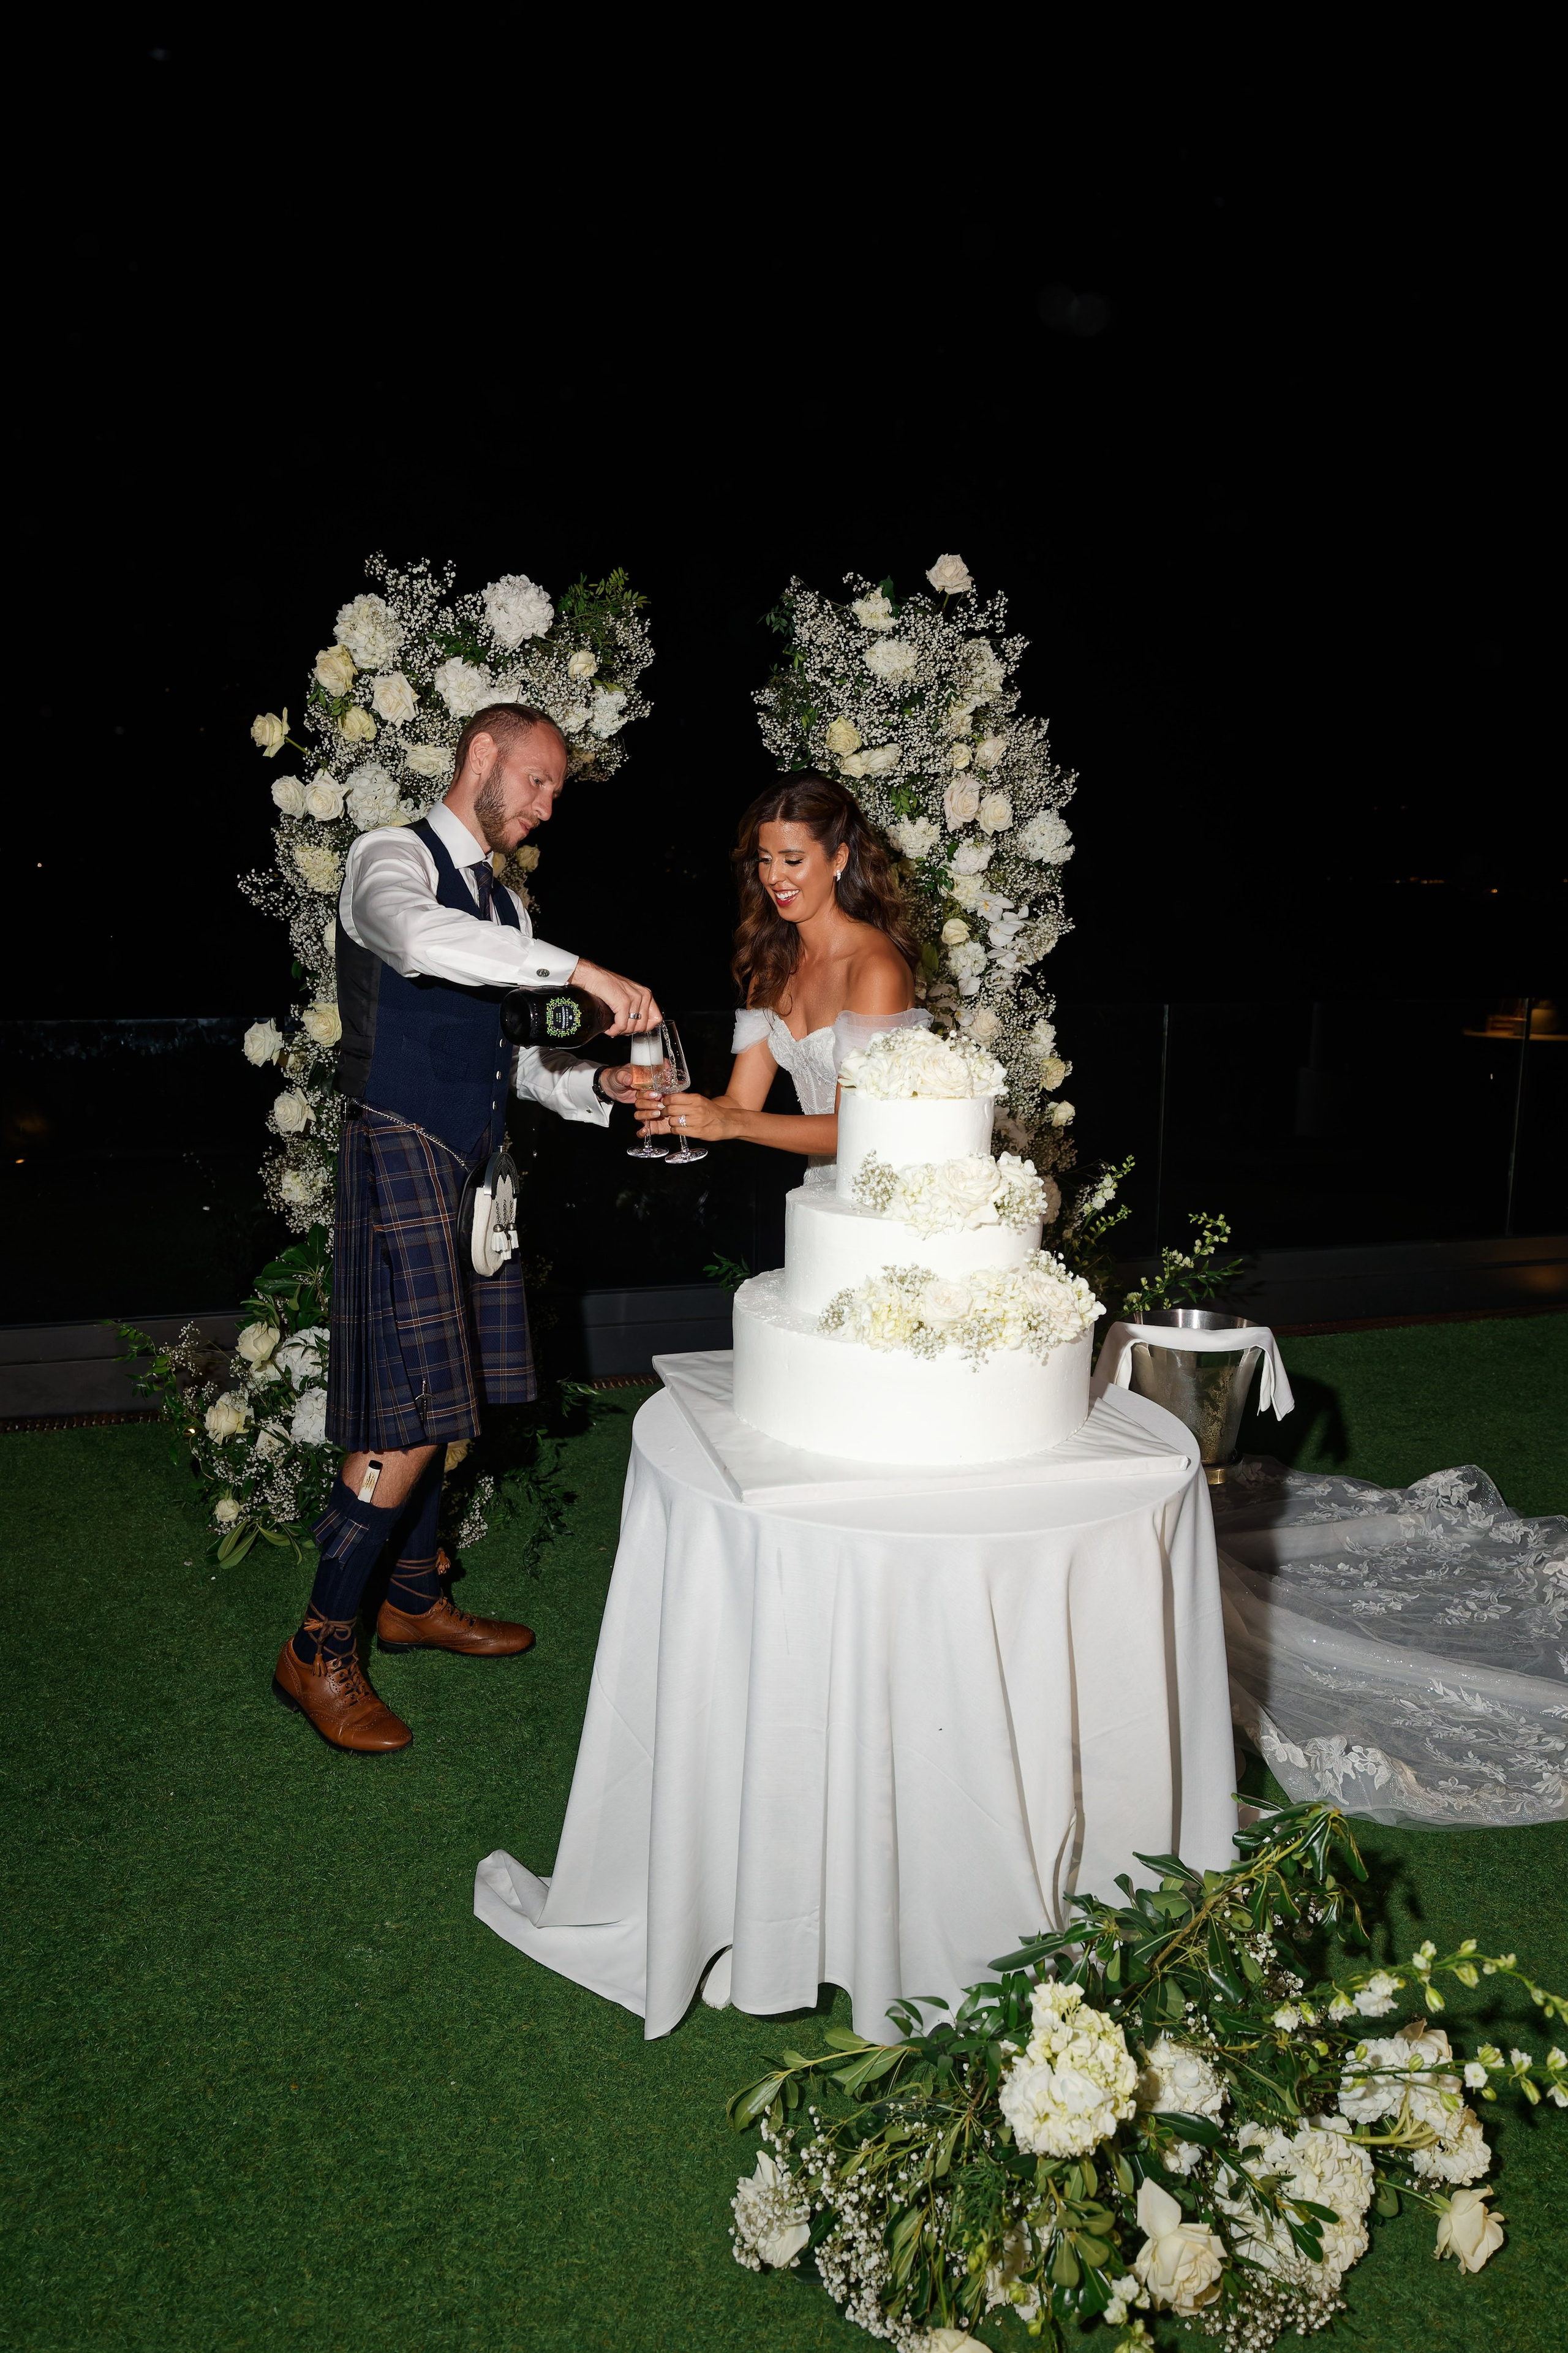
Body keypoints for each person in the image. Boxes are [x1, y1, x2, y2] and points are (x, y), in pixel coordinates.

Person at [273, 703, 658, 1756]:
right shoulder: (387, 860)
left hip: (472, 1172)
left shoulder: (506, 910)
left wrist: (603, 1088)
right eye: (536, 782)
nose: (544, 808)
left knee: (444, 1407)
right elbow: (412, 938)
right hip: (397, 1149)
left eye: (554, 793)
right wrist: (583, 970)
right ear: (481, 756)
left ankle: (409, 1598)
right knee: (403, 1415)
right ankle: (317, 1647)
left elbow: (518, 1064)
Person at [641, 771, 929, 1158]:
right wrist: (681, 1114)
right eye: (764, 860)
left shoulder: (874, 969)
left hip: (886, 1191)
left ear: (839, 858)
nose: (774, 877)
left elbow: (858, 1128)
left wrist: (733, 1123)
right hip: (818, 1186)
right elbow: (740, 1103)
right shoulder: (774, 965)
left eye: (792, 860)